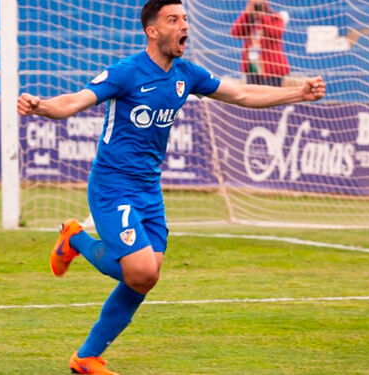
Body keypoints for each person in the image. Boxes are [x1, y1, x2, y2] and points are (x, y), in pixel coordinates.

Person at [17, 0, 325, 373]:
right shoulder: (127, 72)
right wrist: (41, 106)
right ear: (153, 31)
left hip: (149, 188)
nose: (184, 26)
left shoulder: (186, 74)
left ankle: (86, 358)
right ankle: (76, 239)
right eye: (174, 19)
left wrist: (297, 93)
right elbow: (77, 100)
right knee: (140, 271)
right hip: (112, 186)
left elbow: (242, 94)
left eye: (185, 19)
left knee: (146, 279)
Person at [231, 0, 290, 86]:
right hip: (253, 68)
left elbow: (275, 33)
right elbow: (235, 33)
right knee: (253, 96)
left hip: (271, 69)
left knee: (271, 96)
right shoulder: (249, 20)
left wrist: (262, 16)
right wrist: (246, 14)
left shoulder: (276, 17)